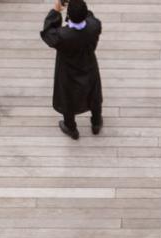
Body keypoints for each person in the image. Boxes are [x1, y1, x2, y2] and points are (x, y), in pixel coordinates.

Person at [42, 0, 104, 139]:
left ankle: (71, 128)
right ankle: (96, 123)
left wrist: (56, 11)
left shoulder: (61, 36)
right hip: (89, 66)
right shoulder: (94, 26)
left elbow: (47, 32)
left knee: (67, 98)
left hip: (68, 72)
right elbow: (90, 16)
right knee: (94, 95)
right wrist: (77, 6)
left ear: (68, 15)